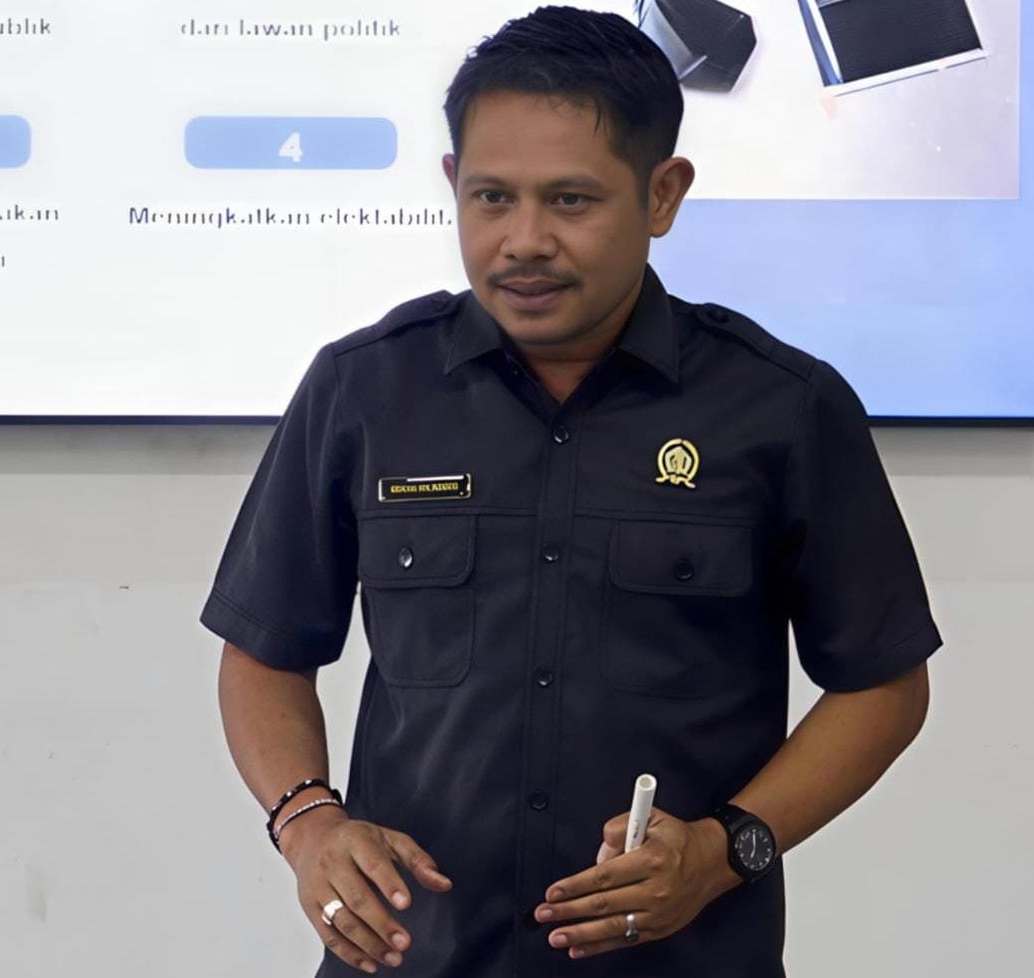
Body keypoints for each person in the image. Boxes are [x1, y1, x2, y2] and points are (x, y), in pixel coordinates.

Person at [201, 6, 943, 977]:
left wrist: (726, 852)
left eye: (570, 201)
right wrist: (307, 824)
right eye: (491, 198)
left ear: (662, 195)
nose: (524, 240)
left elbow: (882, 685)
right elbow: (263, 651)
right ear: (452, 186)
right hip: (415, 957)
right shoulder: (365, 389)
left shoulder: (782, 407)